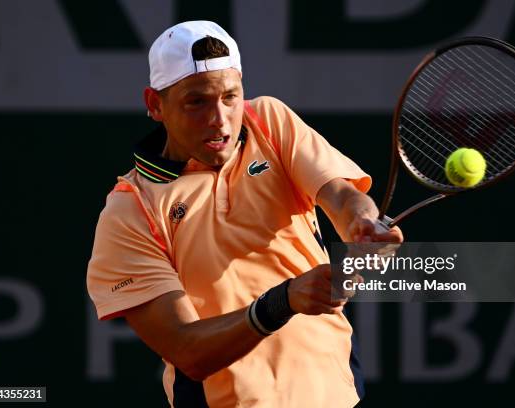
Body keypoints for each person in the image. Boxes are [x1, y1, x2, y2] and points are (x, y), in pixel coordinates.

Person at [87, 20, 403, 408]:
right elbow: (188, 350)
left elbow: (341, 196)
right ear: (155, 104)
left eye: (230, 97)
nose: (219, 118)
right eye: (197, 102)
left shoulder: (269, 122)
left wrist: (362, 222)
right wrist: (282, 301)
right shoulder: (130, 210)